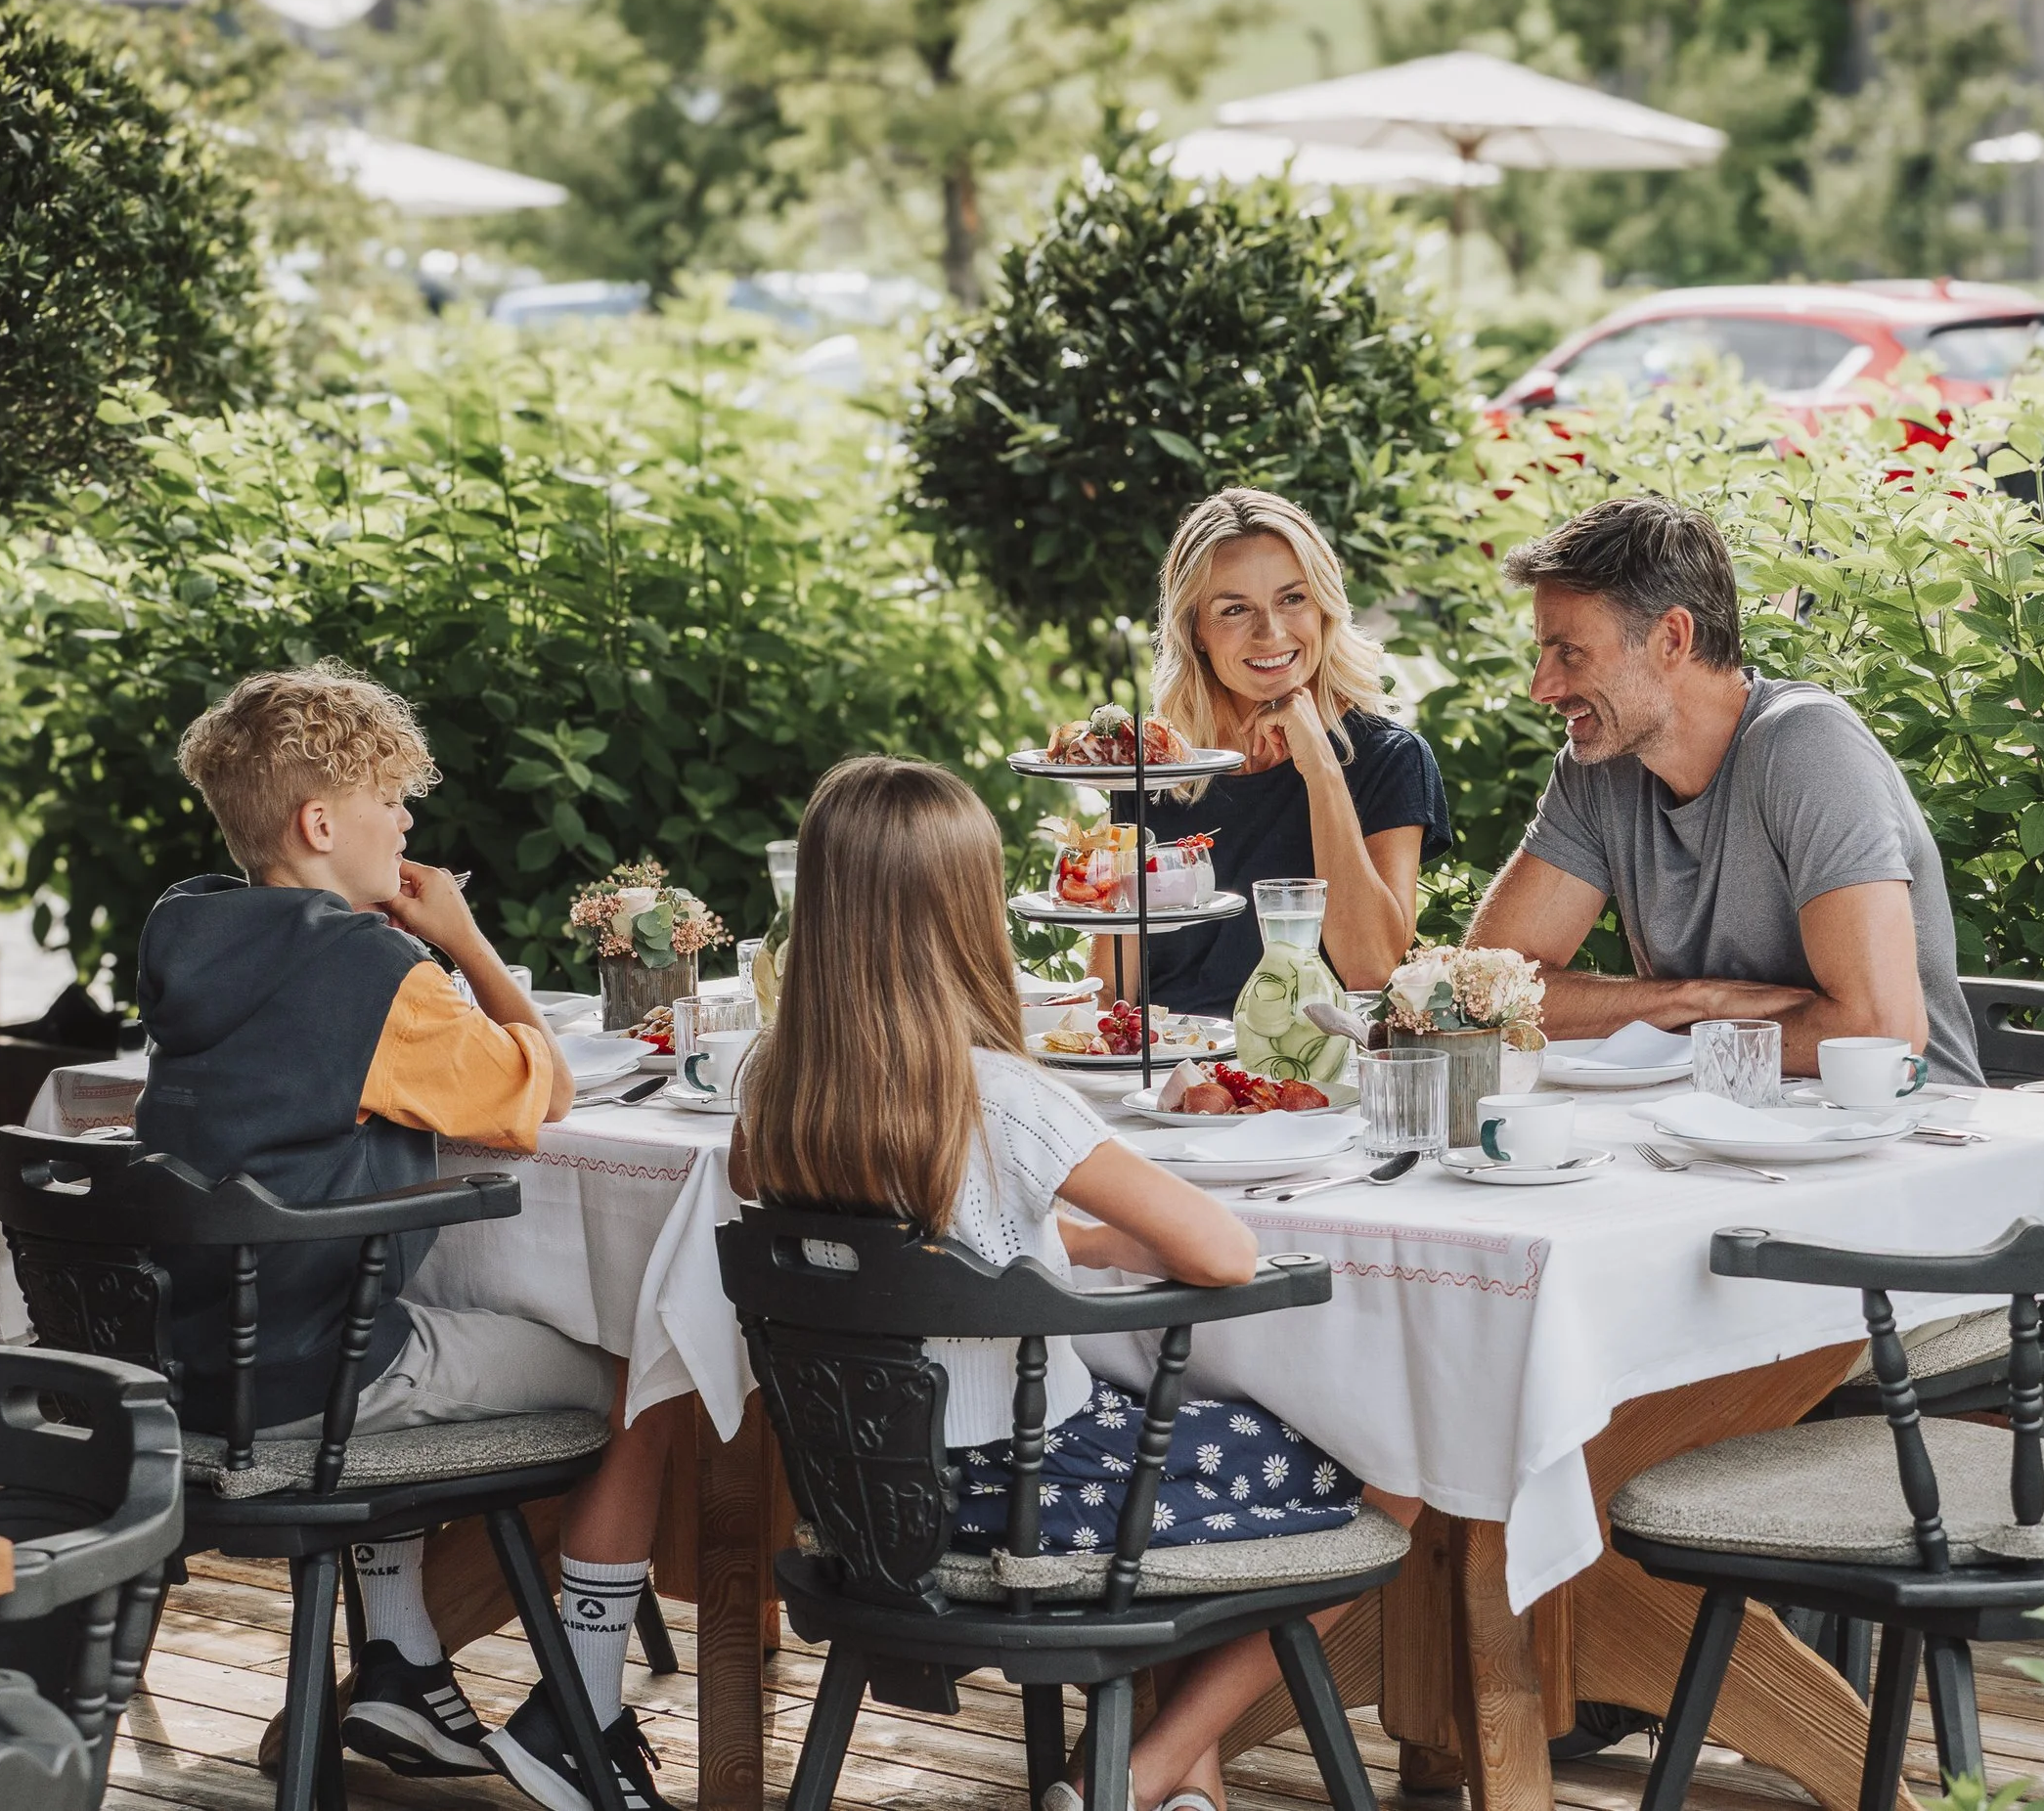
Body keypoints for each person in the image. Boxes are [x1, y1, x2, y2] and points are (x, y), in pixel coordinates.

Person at [733, 755, 1419, 1811]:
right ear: (967, 915)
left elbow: (915, 1242)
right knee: (1398, 1467)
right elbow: (1226, 1255)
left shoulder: (769, 1082)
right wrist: (1127, 1243)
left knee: (1172, 1439)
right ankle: (1138, 1777)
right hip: (1039, 1509)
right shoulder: (1004, 1097)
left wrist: (1081, 1250)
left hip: (873, 1507)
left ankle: (1180, 1781)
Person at [136, 664, 674, 1811]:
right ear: (321, 822)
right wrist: (465, 943)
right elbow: (545, 1088)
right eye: (392, 798)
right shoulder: (377, 975)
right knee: (653, 1365)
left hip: (193, 1365)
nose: (410, 822)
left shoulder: (186, 932)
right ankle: (581, 1708)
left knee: (435, 1307)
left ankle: (400, 1662)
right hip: (314, 1379)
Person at [1466, 497, 1982, 1084]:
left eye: (1571, 651)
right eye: (1543, 652)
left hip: (1907, 1139)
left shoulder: (1807, 746)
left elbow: (1877, 1034)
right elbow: (1487, 990)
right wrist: (1698, 1002)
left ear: (1672, 638)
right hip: (1711, 1126)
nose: (1543, 687)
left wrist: (1662, 1029)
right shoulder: (1600, 765)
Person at [1099, 488, 1451, 1016]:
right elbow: (1112, 991)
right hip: (1168, 1073)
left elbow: (1372, 972)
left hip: (1315, 1078)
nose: (1272, 632)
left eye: (1293, 598)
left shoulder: (1389, 759)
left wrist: (1323, 771)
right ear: (1195, 630)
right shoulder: (1155, 771)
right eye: (1235, 609)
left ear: (1325, 606)